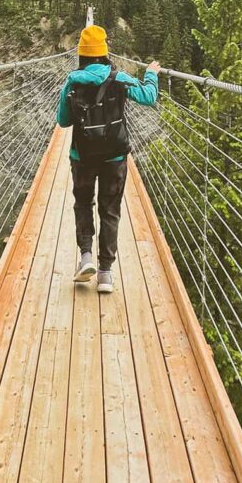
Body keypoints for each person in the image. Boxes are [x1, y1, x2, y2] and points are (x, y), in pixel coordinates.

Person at [56, 23, 160, 294]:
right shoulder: (119, 78)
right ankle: (105, 274)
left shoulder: (72, 81)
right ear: (104, 53)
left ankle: (86, 256)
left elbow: (63, 121)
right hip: (115, 156)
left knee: (83, 203)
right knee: (110, 210)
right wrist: (150, 74)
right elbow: (149, 97)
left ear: (81, 54)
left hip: (83, 155)